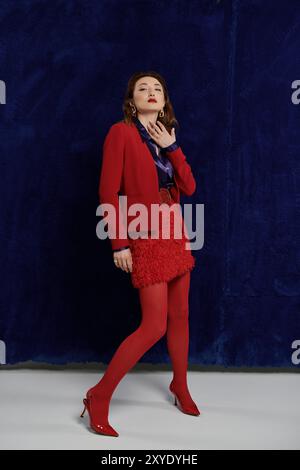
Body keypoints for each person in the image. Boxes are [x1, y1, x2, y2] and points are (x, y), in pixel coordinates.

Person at [80, 71, 200, 437]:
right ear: (132, 101)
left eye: (158, 89)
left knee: (180, 315)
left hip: (174, 230)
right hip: (143, 232)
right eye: (142, 88)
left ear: (164, 102)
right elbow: (107, 191)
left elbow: (190, 188)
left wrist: (173, 148)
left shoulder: (168, 138)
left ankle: (179, 385)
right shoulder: (121, 133)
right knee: (154, 325)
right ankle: (97, 397)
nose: (151, 92)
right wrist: (119, 243)